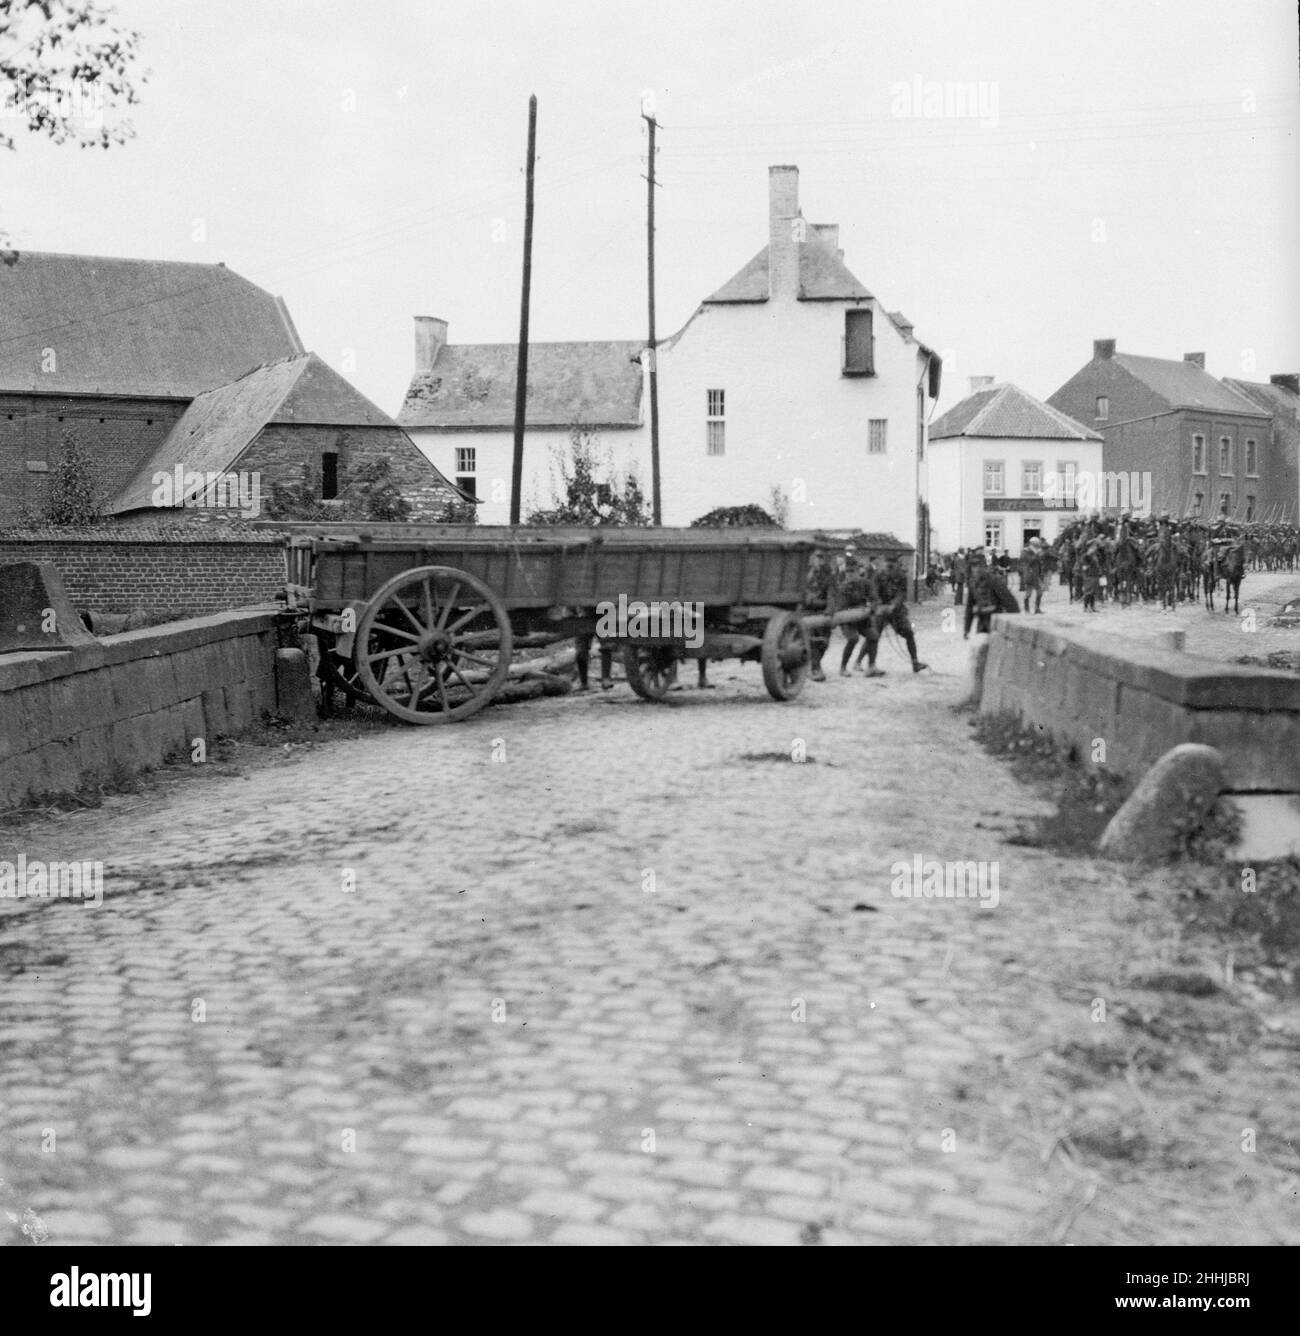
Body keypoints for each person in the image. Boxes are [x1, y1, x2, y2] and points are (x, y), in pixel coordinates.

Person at [863, 553, 928, 674]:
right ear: (884, 565)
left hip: (896, 611)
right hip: (881, 610)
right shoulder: (878, 575)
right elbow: (873, 592)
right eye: (888, 566)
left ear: (896, 565)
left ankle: (915, 663)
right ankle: (867, 664)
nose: (890, 569)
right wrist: (879, 603)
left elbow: (902, 594)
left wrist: (894, 605)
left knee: (909, 633)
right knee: (873, 636)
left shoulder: (901, 576)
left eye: (892, 566)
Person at [838, 549, 878, 676]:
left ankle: (871, 666)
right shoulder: (843, 587)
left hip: (862, 617)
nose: (850, 575)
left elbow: (874, 599)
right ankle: (843, 668)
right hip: (847, 619)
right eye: (848, 572)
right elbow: (842, 606)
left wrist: (871, 607)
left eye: (853, 571)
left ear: (858, 572)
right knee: (853, 639)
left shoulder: (866, 584)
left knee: (873, 636)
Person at [964, 546, 997, 638]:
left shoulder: (994, 581)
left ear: (984, 567)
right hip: (982, 625)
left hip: (996, 625)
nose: (976, 570)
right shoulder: (973, 585)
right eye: (974, 567)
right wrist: (967, 629)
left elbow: (1008, 603)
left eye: (979, 566)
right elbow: (969, 607)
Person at [1021, 537, 1046, 614]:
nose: (1038, 546)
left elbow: (1039, 562)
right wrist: (1037, 554)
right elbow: (1030, 560)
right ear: (1032, 544)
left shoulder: (1036, 551)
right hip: (1029, 575)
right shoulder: (1025, 551)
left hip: (1036, 575)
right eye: (1036, 544)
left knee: (1040, 592)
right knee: (1028, 593)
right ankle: (1026, 609)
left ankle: (1037, 608)